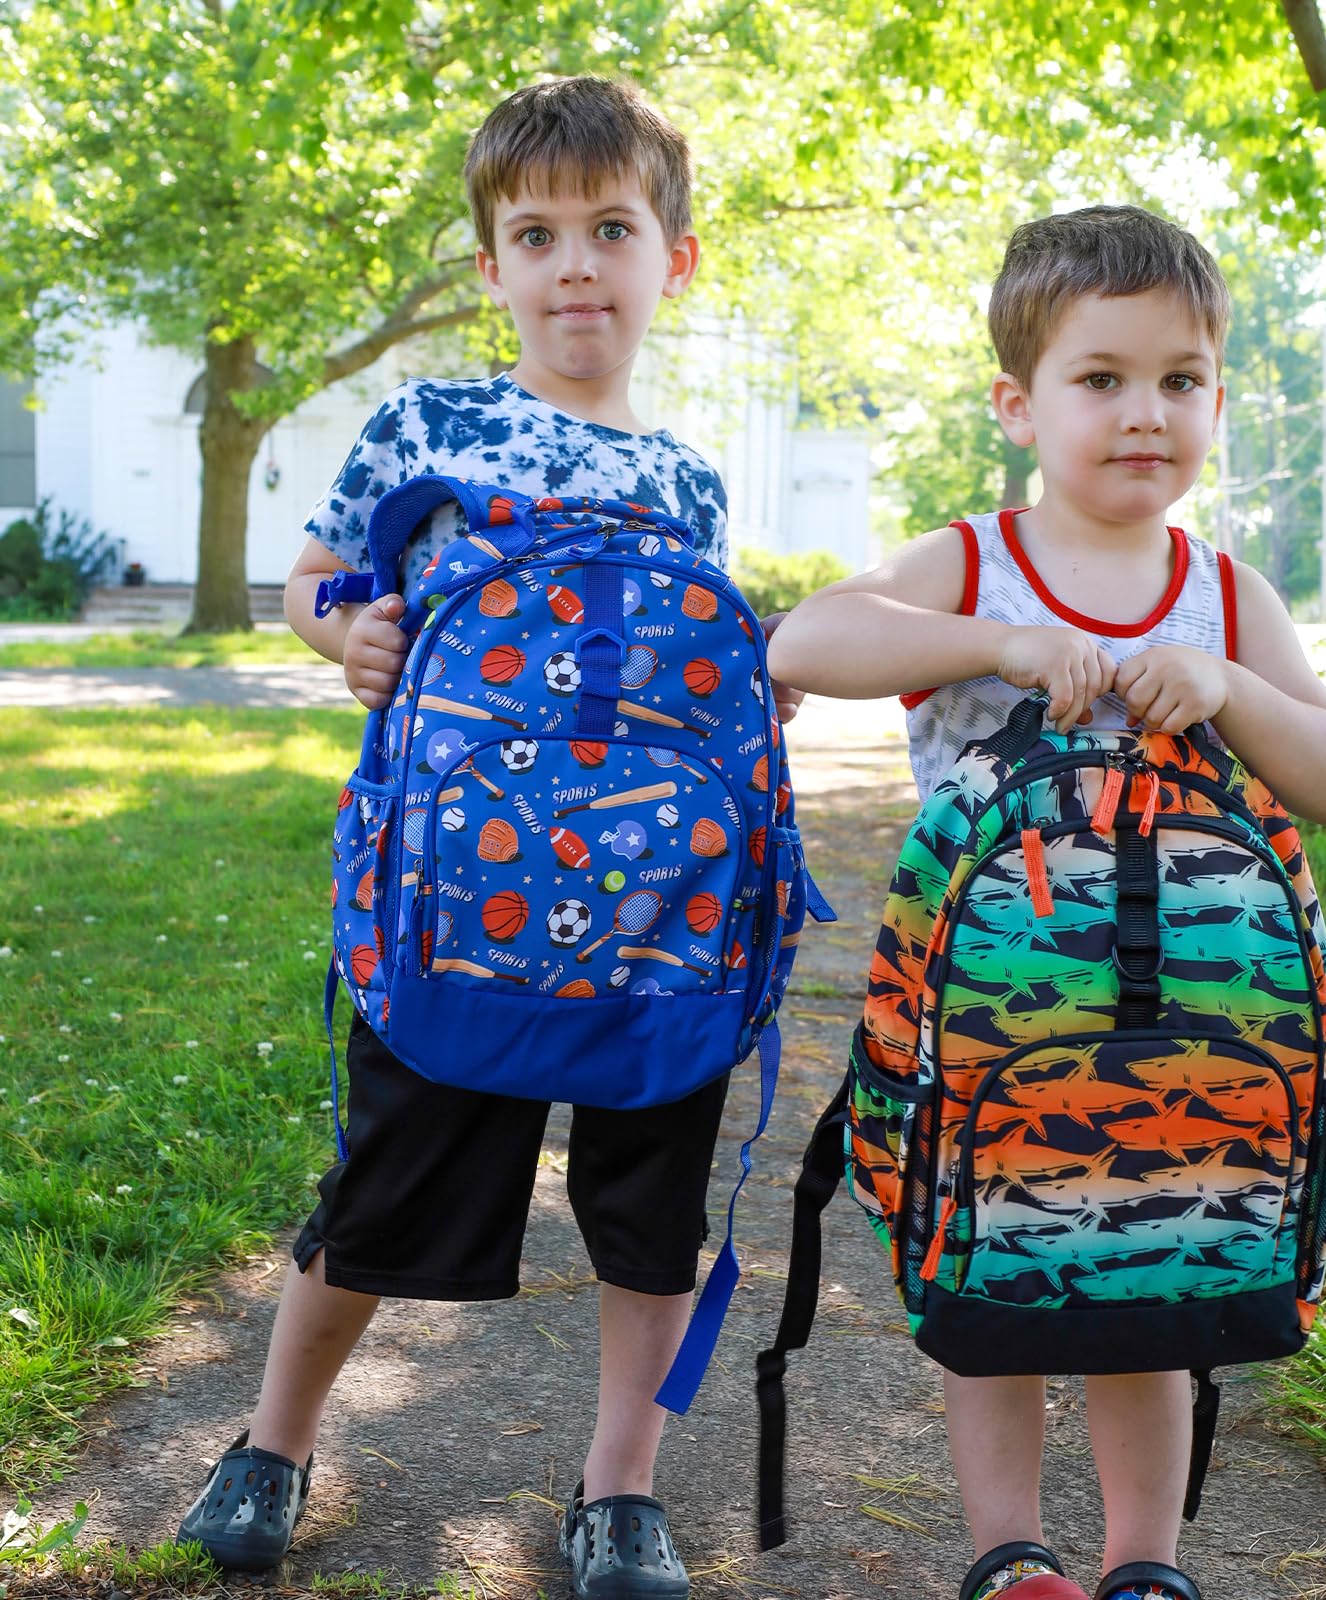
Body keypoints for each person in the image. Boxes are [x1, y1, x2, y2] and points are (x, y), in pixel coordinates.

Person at [178, 76, 789, 1598]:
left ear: (675, 259)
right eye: (537, 234)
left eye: (611, 227)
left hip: (658, 921)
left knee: (649, 1221)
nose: (575, 261)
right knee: (380, 1194)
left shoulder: (691, 481)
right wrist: (352, 639)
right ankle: (270, 1444)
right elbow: (316, 583)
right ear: (491, 269)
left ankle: (617, 1490)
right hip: (457, 906)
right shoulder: (431, 422)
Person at [766, 206, 1326, 1600]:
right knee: (1000, 1293)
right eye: (1100, 379)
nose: (1144, 412)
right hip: (989, 1038)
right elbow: (808, 636)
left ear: (1216, 394)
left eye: (1181, 379)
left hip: (1192, 1042)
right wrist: (1000, 644)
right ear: (1018, 404)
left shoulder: (1227, 593)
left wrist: (1226, 688)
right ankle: (1009, 1556)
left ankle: (1142, 1564)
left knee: (1153, 1297)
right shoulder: (976, 561)